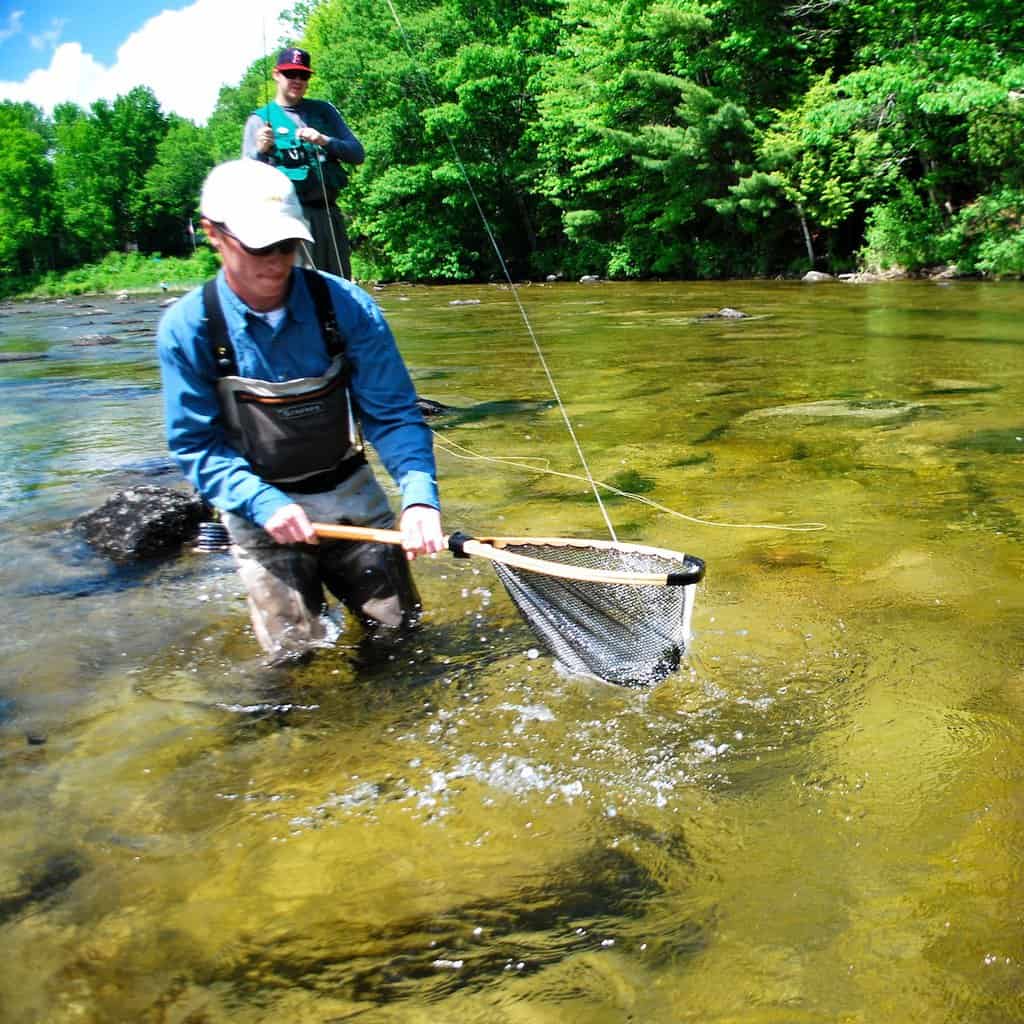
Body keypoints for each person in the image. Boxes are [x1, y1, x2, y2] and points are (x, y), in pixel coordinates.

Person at [157, 159, 444, 664]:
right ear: (213, 234)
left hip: (349, 494)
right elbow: (196, 445)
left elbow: (393, 414)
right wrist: (263, 503)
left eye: (287, 247)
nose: (276, 261)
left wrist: (419, 499)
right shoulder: (188, 329)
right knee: (294, 660)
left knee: (403, 639)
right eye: (260, 247)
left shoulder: (347, 307)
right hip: (256, 509)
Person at [243, 46, 364, 279]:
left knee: (339, 288)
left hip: (329, 216)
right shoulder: (259, 120)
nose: (297, 80)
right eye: (290, 74)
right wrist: (260, 151)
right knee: (302, 290)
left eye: (304, 75)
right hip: (289, 220)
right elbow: (248, 184)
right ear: (276, 75)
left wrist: (325, 140)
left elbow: (357, 154)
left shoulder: (324, 112)